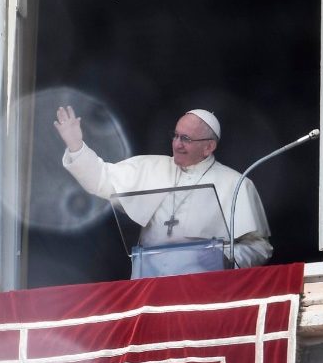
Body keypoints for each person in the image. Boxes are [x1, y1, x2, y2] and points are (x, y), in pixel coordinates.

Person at [54, 105, 272, 278]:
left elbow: (259, 247)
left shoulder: (236, 183)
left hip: (203, 289)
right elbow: (101, 178)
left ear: (209, 147)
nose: (177, 144)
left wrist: (225, 256)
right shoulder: (149, 167)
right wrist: (77, 146)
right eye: (175, 135)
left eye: (186, 139)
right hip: (150, 284)